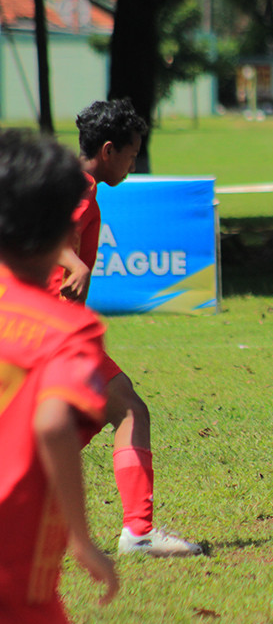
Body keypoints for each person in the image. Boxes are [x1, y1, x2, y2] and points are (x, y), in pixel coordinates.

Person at [48, 99, 201, 557]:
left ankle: (27, 503)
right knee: (130, 409)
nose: (135, 164)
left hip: (37, 326)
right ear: (109, 150)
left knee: (83, 419)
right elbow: (39, 233)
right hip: (55, 328)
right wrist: (73, 261)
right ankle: (138, 532)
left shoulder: (62, 180)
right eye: (133, 155)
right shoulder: (78, 188)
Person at [0, 129, 119, 624]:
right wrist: (81, 536)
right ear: (67, 229)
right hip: (13, 554)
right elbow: (52, 424)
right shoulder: (69, 331)